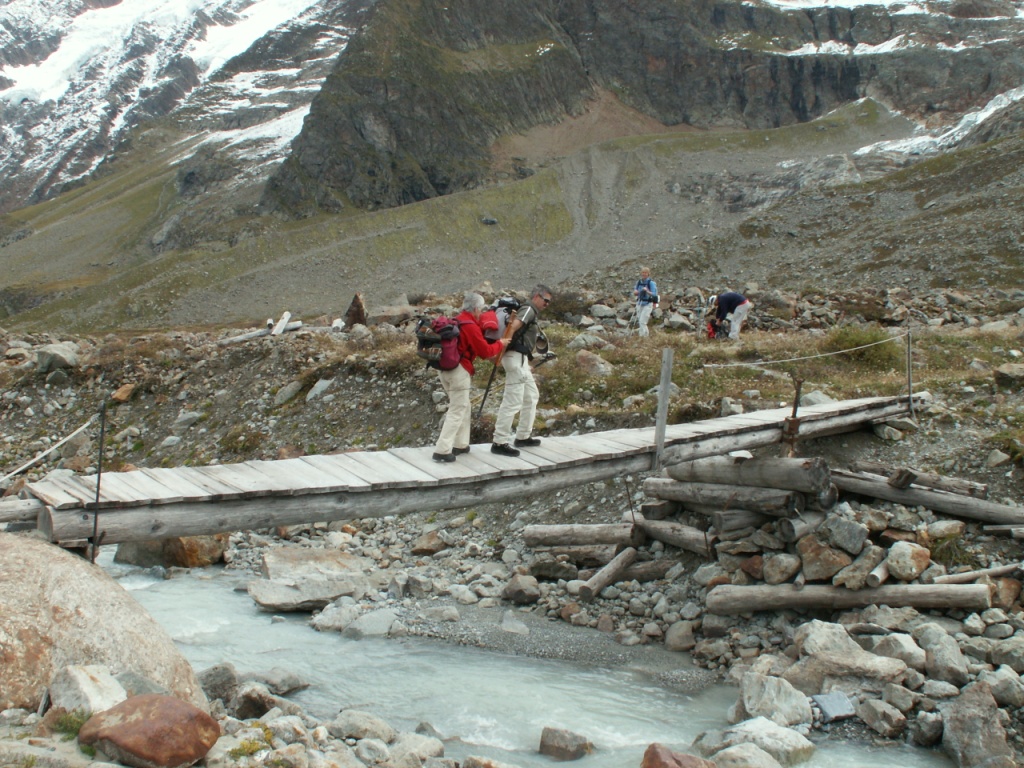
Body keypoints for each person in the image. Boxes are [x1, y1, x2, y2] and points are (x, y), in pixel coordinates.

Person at [432, 292, 509, 462]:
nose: (481, 313)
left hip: (443, 369)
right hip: (459, 370)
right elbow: (485, 352)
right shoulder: (470, 326)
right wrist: (500, 344)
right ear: (475, 308)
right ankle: (442, 450)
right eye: (481, 309)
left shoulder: (457, 320)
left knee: (464, 405)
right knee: (457, 408)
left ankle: (461, 444)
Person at [491, 284, 553, 457]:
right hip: (515, 357)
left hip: (520, 358)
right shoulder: (528, 309)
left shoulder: (529, 309)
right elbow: (514, 325)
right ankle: (499, 441)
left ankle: (523, 436)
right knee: (513, 400)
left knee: (531, 396)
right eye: (545, 301)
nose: (546, 305)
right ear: (537, 297)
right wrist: (505, 345)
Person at [632, 267, 658, 337]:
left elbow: (654, 294)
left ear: (648, 274)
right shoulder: (639, 282)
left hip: (648, 304)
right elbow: (635, 292)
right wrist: (636, 292)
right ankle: (641, 336)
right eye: (643, 272)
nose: (644, 274)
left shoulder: (651, 283)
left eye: (645, 273)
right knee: (640, 321)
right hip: (639, 303)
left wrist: (646, 291)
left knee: (642, 321)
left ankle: (645, 337)